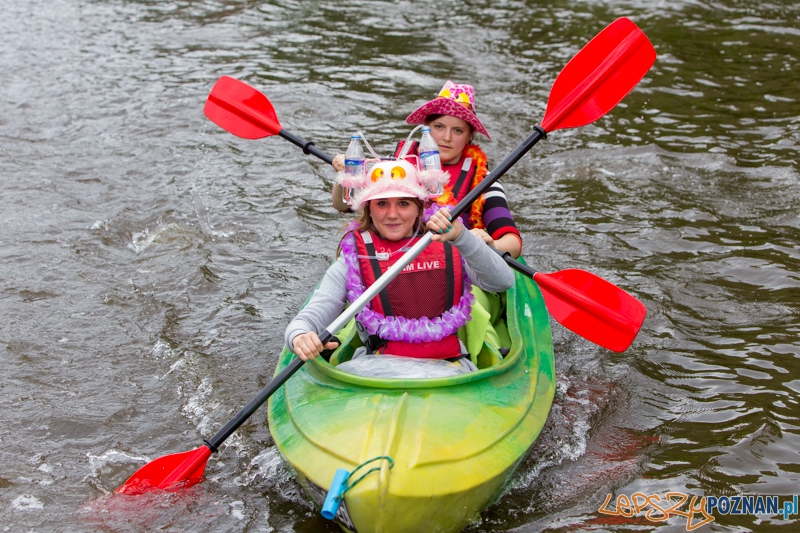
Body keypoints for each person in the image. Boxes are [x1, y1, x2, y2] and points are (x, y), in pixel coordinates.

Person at [287, 158, 515, 377]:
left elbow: (502, 281)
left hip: (448, 367)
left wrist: (463, 237)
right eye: (382, 203)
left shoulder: (449, 243)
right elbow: (308, 318)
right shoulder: (355, 256)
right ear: (369, 208)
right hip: (376, 368)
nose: (392, 214)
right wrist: (299, 336)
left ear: (419, 207)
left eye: (404, 203)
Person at [331, 81, 523, 259]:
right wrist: (345, 176)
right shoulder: (397, 165)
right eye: (439, 126)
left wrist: (491, 245)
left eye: (458, 130)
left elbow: (512, 242)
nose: (446, 137)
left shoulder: (483, 181)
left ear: (469, 136)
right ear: (426, 128)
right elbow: (344, 206)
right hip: (391, 256)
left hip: (450, 261)